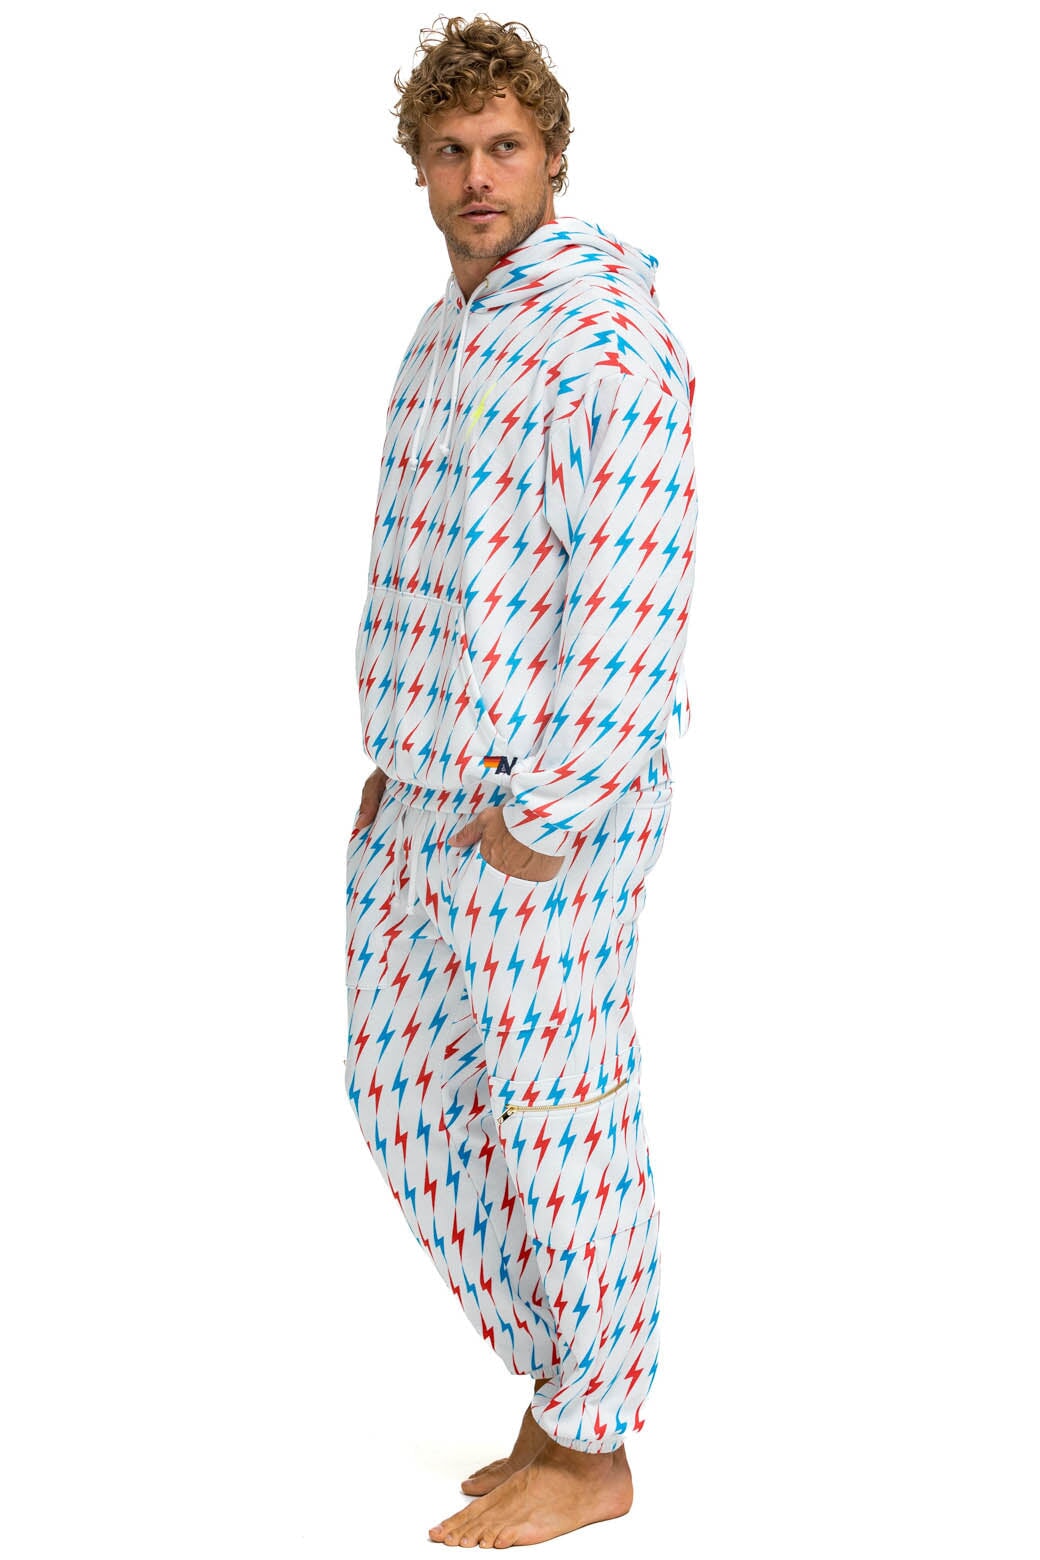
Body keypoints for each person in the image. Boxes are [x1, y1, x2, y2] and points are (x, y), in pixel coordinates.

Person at [343, 15, 698, 1548]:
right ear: (419, 169)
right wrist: (391, 758)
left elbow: (633, 592)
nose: (477, 175)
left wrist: (546, 812)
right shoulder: (444, 333)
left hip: (544, 811)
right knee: (400, 1081)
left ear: (553, 158)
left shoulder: (606, 340)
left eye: (504, 146)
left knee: (560, 1119)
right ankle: (565, 1387)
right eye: (451, 149)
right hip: (424, 792)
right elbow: (420, 568)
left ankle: (596, 1440)